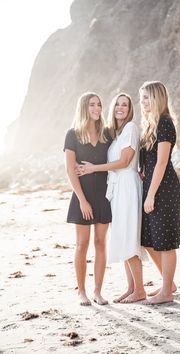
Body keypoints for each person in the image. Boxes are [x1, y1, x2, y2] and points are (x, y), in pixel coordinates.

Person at [78, 93, 147, 303]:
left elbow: (125, 162)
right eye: (117, 104)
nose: (120, 108)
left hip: (127, 186)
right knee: (122, 234)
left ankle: (140, 290)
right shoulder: (116, 134)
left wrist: (93, 169)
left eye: (125, 105)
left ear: (130, 109)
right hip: (117, 189)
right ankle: (131, 287)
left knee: (128, 236)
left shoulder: (130, 128)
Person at [63, 92, 112, 306]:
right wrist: (82, 200)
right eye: (92, 104)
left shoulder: (107, 134)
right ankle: (81, 291)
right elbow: (70, 170)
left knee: (101, 243)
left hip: (104, 195)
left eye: (99, 104)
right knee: (82, 244)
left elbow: (119, 160)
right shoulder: (72, 134)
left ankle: (98, 291)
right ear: (84, 107)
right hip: (82, 196)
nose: (97, 108)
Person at [139, 81, 180, 305]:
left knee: (166, 242)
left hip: (164, 188)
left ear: (157, 98)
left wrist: (150, 195)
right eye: (142, 98)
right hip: (152, 186)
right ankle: (169, 283)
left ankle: (166, 291)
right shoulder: (150, 124)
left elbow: (161, 162)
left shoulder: (165, 123)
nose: (143, 102)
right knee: (148, 239)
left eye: (147, 97)